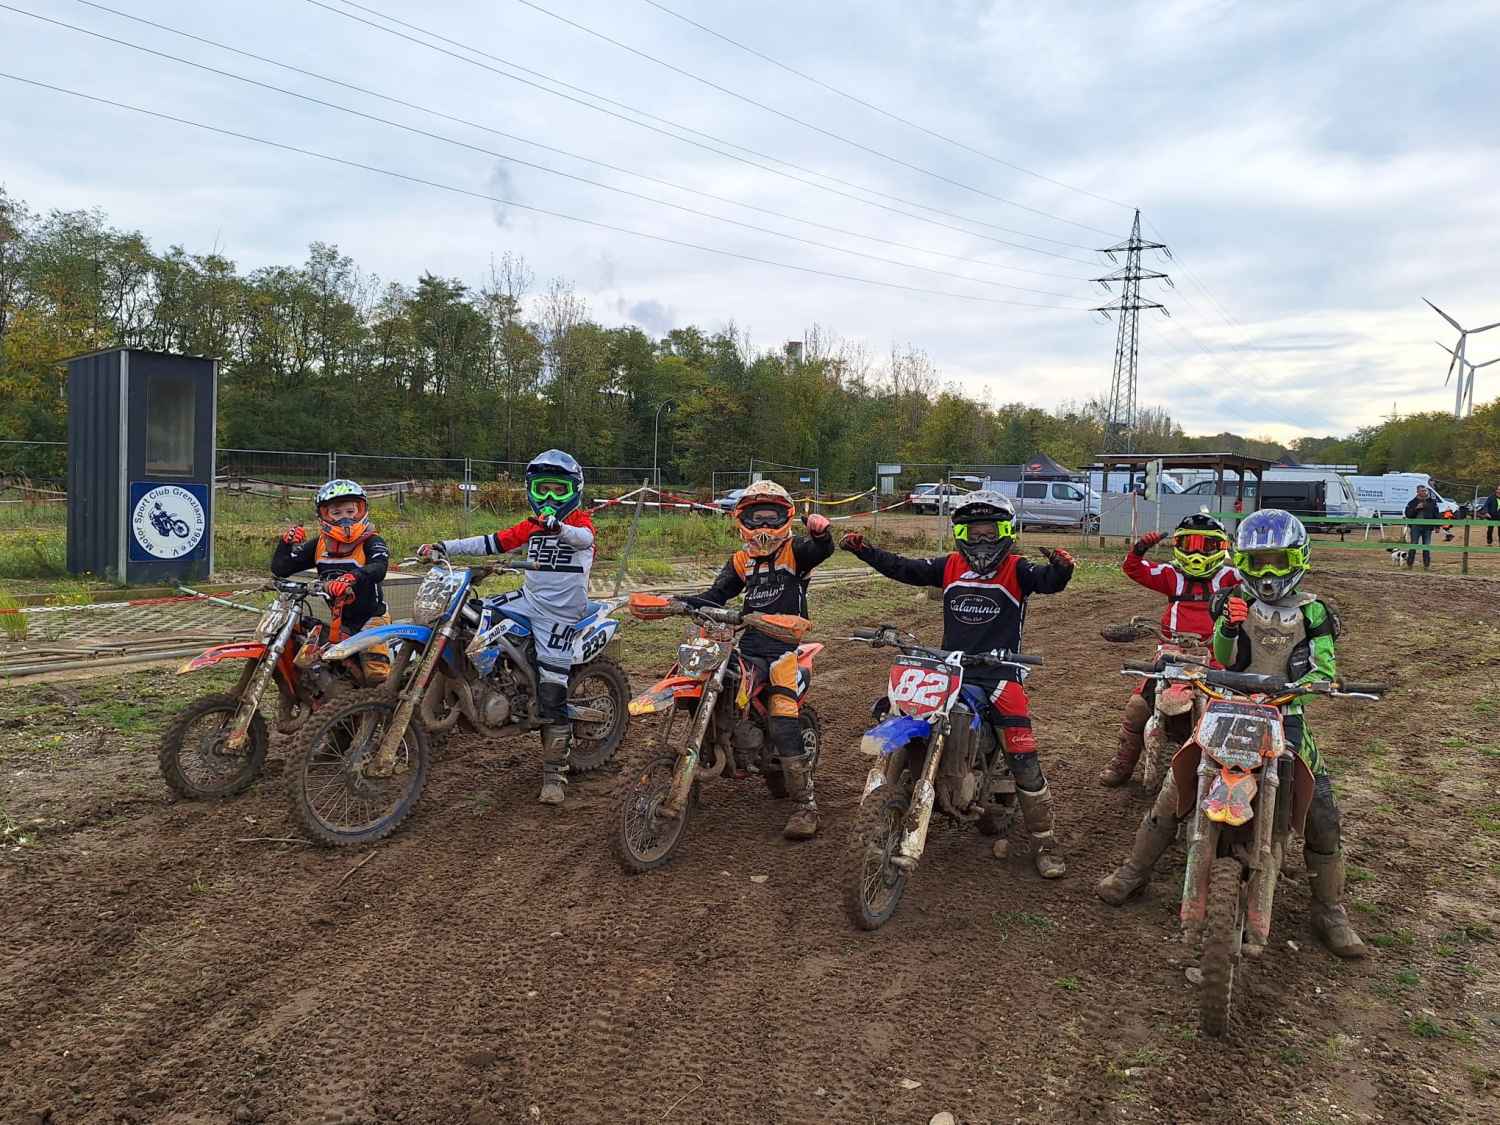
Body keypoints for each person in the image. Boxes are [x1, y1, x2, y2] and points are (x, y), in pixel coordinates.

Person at [1097, 509, 1366, 959]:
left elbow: (1324, 660)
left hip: (1285, 710)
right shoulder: (1231, 598)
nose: (1268, 573)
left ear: (1297, 559)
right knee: (1179, 779)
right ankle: (1135, 869)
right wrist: (1227, 624)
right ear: (1242, 561)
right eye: (1258, 561)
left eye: (1278, 561)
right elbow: (1224, 655)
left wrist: (1320, 680)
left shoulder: (1315, 610)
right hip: (1228, 702)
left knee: (1320, 805)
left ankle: (1330, 909)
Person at [840, 491, 1075, 877]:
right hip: (950, 669)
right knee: (902, 710)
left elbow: (1048, 581)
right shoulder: (949, 565)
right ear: (960, 534)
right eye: (972, 531)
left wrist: (1062, 568)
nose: (981, 539)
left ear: (1006, 532)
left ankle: (1046, 842)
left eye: (989, 531)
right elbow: (904, 568)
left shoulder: (1018, 569)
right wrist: (865, 551)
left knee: (1023, 758)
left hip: (1000, 674)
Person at [417, 450, 594, 806]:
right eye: (542, 489)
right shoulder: (531, 526)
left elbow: (582, 540)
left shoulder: (581, 524)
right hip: (529, 599)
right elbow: (491, 541)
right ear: (531, 490)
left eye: (557, 490)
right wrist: (443, 546)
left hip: (560, 614)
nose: (548, 497)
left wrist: (558, 527)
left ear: (574, 490)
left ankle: (554, 772)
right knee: (469, 618)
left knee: (553, 689)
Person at [675, 481, 834, 839]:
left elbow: (821, 551)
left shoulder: (796, 551)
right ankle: (692, 770)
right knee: (706, 686)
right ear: (742, 519)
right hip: (747, 645)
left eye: (770, 517)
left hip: (784, 650)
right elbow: (716, 595)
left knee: (782, 717)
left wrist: (822, 535)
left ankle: (806, 805)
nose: (763, 526)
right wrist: (681, 602)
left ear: (785, 518)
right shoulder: (741, 560)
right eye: (755, 517)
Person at [1099, 513, 1239, 787]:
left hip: (1215, 657)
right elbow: (1134, 569)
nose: (1196, 553)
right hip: (1171, 654)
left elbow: (1259, 586)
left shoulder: (1231, 577)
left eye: (1206, 546)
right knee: (1137, 707)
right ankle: (1122, 763)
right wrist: (1139, 549)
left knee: (1230, 711)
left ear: (1221, 547)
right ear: (1178, 545)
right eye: (1189, 544)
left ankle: (1231, 770)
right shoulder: (1171, 575)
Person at [272, 479, 391, 680]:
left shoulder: (372, 541)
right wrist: (285, 543)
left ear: (361, 510)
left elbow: (379, 568)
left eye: (350, 511)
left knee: (375, 675)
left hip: (372, 619)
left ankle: (385, 699)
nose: (345, 518)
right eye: (336, 513)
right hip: (340, 622)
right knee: (310, 663)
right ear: (324, 515)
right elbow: (281, 568)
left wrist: (351, 577)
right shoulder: (319, 544)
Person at [1403, 485, 1439, 569]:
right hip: (1415, 527)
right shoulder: (1412, 502)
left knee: (1426, 546)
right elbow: (1408, 514)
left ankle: (1426, 566)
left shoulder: (1432, 502)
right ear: (1417, 492)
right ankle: (1409, 565)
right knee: (1413, 545)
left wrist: (1437, 526)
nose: (1424, 492)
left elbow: (1436, 514)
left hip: (1427, 527)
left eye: (1425, 491)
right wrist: (1416, 508)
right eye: (1422, 491)